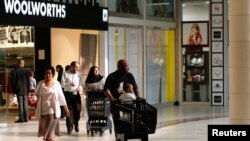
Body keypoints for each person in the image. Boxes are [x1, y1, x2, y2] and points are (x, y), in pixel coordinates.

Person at [35, 66, 70, 141]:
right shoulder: (41, 84)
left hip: (53, 111)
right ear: (44, 74)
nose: (48, 75)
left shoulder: (56, 84)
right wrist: (34, 98)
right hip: (43, 111)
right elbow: (36, 94)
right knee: (47, 134)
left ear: (52, 75)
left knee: (50, 134)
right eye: (46, 73)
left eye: (49, 73)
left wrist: (66, 109)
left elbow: (61, 97)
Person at [61, 61, 83, 134]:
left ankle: (76, 123)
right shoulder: (65, 74)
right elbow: (62, 84)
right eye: (76, 67)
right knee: (69, 111)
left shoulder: (79, 75)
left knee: (77, 110)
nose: (77, 68)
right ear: (72, 67)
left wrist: (79, 87)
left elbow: (81, 84)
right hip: (68, 95)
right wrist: (69, 84)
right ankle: (69, 127)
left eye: (78, 67)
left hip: (76, 94)